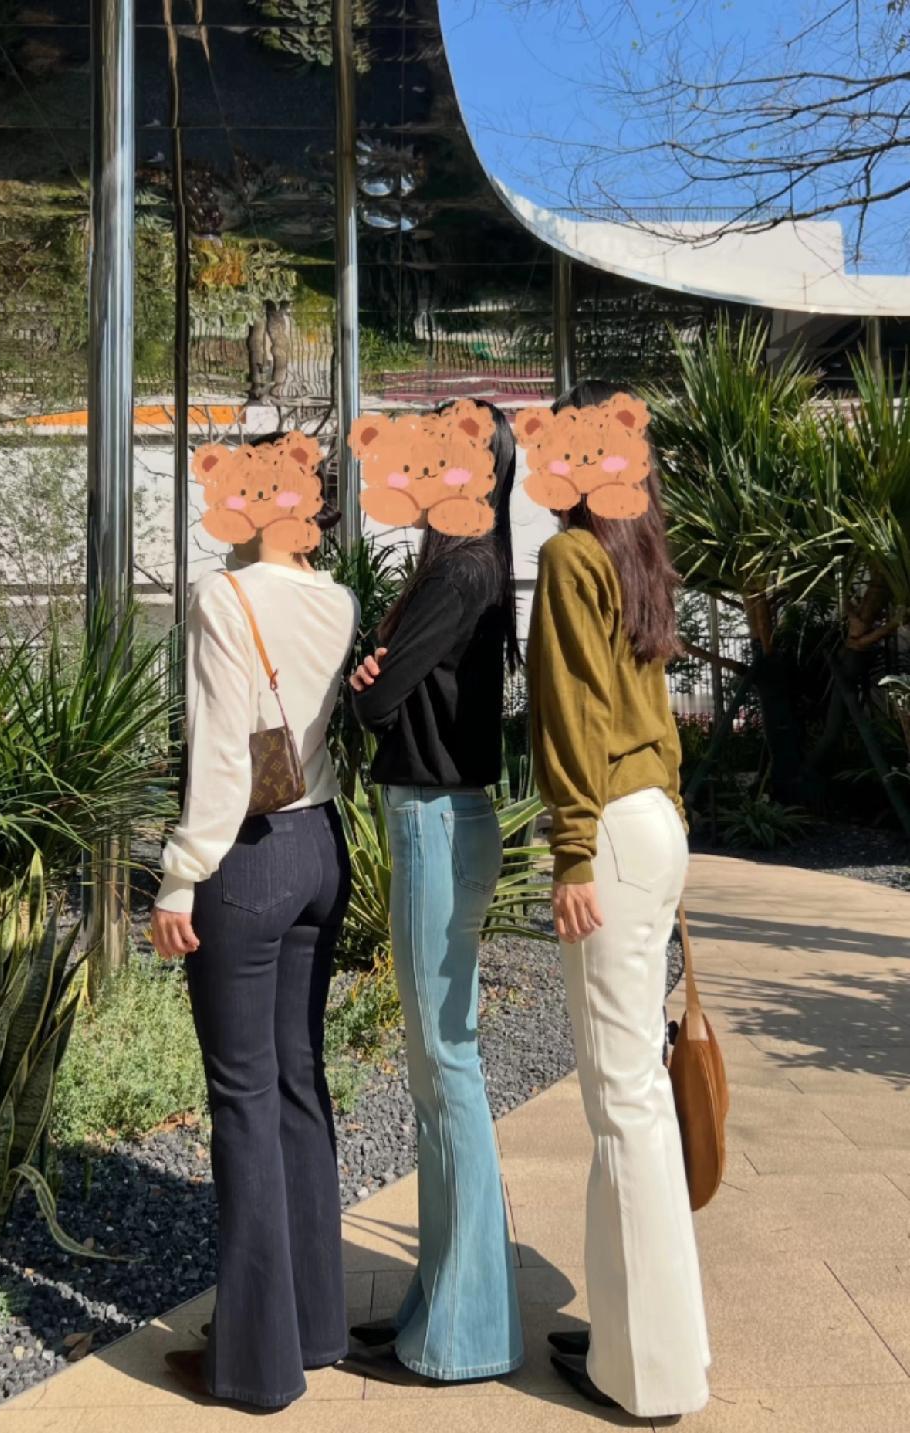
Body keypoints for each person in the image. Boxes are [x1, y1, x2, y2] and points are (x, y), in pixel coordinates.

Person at [150, 439, 359, 1411]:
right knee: (297, 1086)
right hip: (320, 844)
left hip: (246, 856)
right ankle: (316, 1328)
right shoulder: (336, 600)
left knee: (241, 1099)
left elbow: (223, 759)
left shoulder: (221, 599)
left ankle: (256, 1367)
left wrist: (178, 876)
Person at [526, 381, 710, 1419]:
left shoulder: (567, 558)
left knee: (622, 1103)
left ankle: (644, 1373)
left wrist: (569, 852)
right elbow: (654, 713)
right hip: (654, 821)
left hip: (606, 826)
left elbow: (572, 714)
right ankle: (642, 1347)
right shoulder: (637, 557)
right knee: (632, 1094)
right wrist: (667, 818)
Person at [344, 399, 524, 1386]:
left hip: (432, 820)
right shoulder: (471, 565)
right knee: (437, 1072)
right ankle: (438, 1304)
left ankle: (466, 1330)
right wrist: (383, 668)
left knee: (445, 1071)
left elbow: (376, 697)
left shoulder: (456, 571)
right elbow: (390, 684)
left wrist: (374, 671)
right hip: (452, 817)